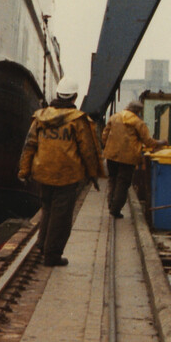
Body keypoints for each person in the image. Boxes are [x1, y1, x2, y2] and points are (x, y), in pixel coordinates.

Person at [17, 82, 104, 267]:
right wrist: (93, 174)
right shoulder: (78, 120)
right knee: (61, 217)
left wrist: (24, 171)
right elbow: (87, 150)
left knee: (47, 210)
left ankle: (42, 244)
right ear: (74, 97)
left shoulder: (41, 117)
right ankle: (52, 255)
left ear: (58, 94)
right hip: (67, 175)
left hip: (43, 173)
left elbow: (29, 145)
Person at [101, 97, 152, 221]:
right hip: (128, 158)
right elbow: (148, 141)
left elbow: (104, 136)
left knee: (113, 179)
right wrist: (161, 143)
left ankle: (110, 204)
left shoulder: (114, 118)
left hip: (111, 155)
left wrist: (108, 148)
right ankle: (115, 209)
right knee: (123, 183)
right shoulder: (138, 123)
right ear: (138, 111)